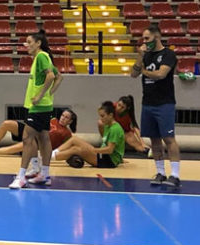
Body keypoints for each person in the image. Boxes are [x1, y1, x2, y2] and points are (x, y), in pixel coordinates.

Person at [131, 25, 181, 187]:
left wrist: (144, 72)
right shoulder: (146, 55)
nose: (144, 42)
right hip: (148, 103)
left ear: (156, 37)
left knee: (169, 138)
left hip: (164, 103)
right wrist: (140, 57)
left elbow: (160, 74)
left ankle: (175, 175)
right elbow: (133, 74)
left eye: (147, 38)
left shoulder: (168, 54)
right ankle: (160, 172)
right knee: (154, 140)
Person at [9, 30, 58, 189]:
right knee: (43, 137)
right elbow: (59, 76)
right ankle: (44, 173)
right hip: (41, 105)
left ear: (38, 43)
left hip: (38, 106)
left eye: (29, 42)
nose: (27, 45)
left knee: (27, 138)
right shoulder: (42, 57)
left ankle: (21, 176)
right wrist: (49, 94)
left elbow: (51, 76)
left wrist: (40, 95)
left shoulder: (42, 56)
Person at [52, 101, 125, 168]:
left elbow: (110, 150)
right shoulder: (107, 126)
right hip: (102, 155)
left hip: (108, 161)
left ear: (111, 115)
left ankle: (50, 158)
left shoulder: (114, 129)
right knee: (74, 140)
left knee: (76, 149)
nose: (101, 119)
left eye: (103, 116)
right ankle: (54, 152)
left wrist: (94, 150)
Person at [0, 109, 76, 157]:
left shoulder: (67, 134)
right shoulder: (54, 120)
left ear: (70, 121)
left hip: (37, 144)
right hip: (31, 132)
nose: (63, 118)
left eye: (66, 117)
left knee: (21, 146)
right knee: (6, 124)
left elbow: (63, 148)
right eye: (63, 115)